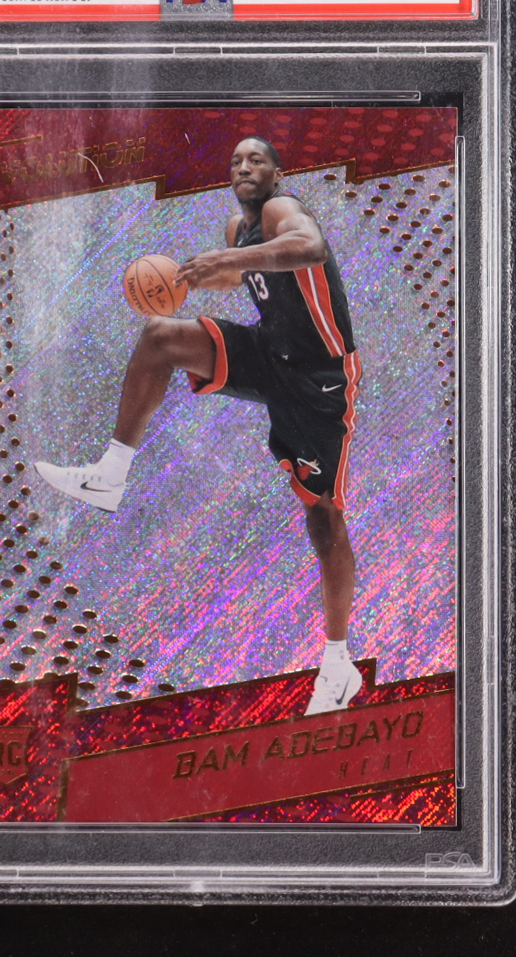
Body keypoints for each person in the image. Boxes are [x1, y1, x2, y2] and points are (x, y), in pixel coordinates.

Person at [35, 137, 362, 714]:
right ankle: (110, 475)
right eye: (235, 160)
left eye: (257, 159)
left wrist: (230, 263)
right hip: (269, 352)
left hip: (319, 379)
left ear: (278, 172)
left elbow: (308, 248)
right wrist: (198, 276)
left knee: (323, 516)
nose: (244, 167)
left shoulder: (283, 210)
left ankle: (338, 665)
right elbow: (245, 278)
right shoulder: (239, 231)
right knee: (161, 337)